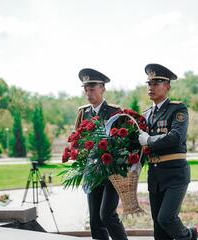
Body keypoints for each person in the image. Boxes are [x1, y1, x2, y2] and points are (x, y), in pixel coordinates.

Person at [138, 63, 197, 240]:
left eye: (156, 83)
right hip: (155, 176)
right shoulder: (146, 114)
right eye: (149, 83)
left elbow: (176, 136)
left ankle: (188, 236)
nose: (151, 87)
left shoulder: (178, 109)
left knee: (167, 218)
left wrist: (149, 140)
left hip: (175, 173)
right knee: (159, 226)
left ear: (167, 86)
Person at [75, 68, 128, 240]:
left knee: (107, 215)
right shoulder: (83, 113)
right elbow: (78, 141)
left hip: (112, 171)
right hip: (93, 172)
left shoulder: (114, 111)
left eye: (92, 88)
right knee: (95, 220)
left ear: (103, 88)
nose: (88, 93)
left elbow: (124, 142)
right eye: (86, 89)